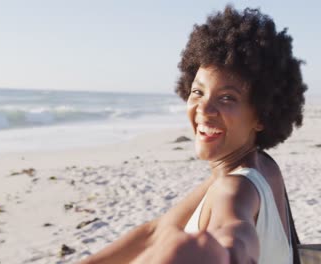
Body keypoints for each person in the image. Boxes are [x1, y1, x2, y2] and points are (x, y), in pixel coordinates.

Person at [81, 5, 306, 264]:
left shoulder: (234, 187)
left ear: (262, 116)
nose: (204, 109)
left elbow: (234, 231)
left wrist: (226, 254)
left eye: (227, 98)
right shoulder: (261, 166)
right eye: (198, 92)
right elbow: (155, 233)